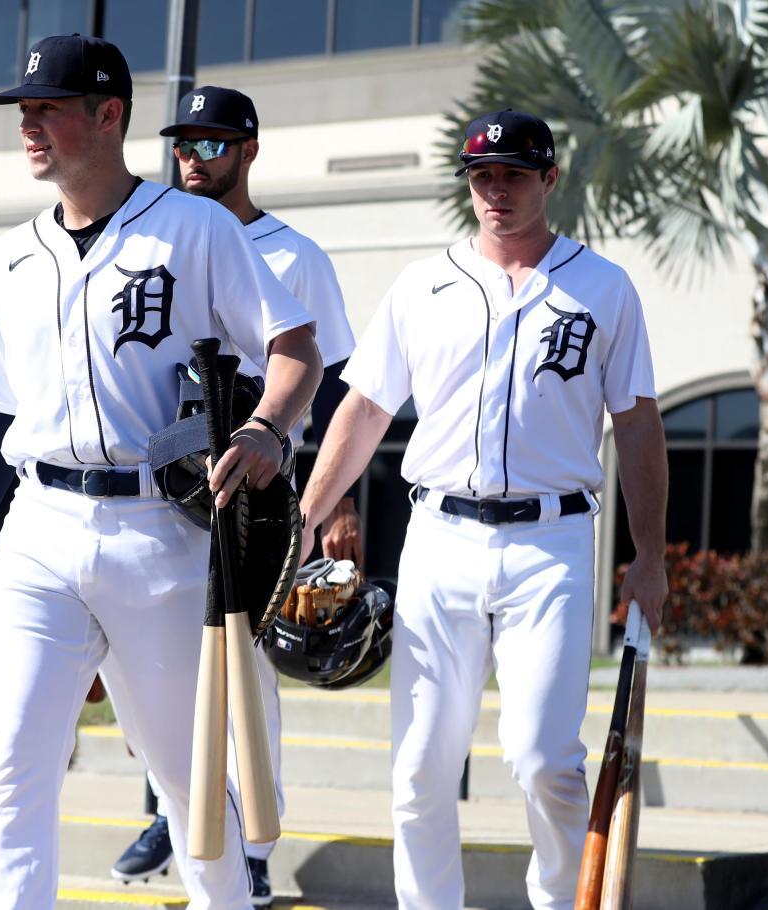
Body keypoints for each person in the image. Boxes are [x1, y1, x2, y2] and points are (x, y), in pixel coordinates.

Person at [0, 34, 322, 910]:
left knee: (188, 780)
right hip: (40, 528)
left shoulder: (194, 229)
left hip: (162, 532)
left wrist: (269, 426)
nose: (30, 125)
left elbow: (294, 347)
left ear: (108, 114)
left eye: (49, 108)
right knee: (17, 767)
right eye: (24, 112)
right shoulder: (12, 255)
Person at [296, 108, 668, 909]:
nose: (494, 190)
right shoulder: (421, 284)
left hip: (554, 540)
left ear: (549, 179)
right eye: (480, 176)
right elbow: (363, 411)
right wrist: (305, 516)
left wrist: (652, 555)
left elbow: (637, 425)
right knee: (422, 764)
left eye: (513, 174)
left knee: (545, 760)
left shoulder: (603, 286)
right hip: (439, 538)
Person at [110, 85, 363, 905]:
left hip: (256, 487)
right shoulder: (155, 244)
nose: (193, 158)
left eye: (212, 144)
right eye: (184, 144)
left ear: (249, 150)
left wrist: (339, 499)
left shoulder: (297, 254)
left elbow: (325, 384)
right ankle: (177, 809)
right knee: (157, 664)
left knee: (243, 663)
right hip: (166, 481)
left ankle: (252, 835)